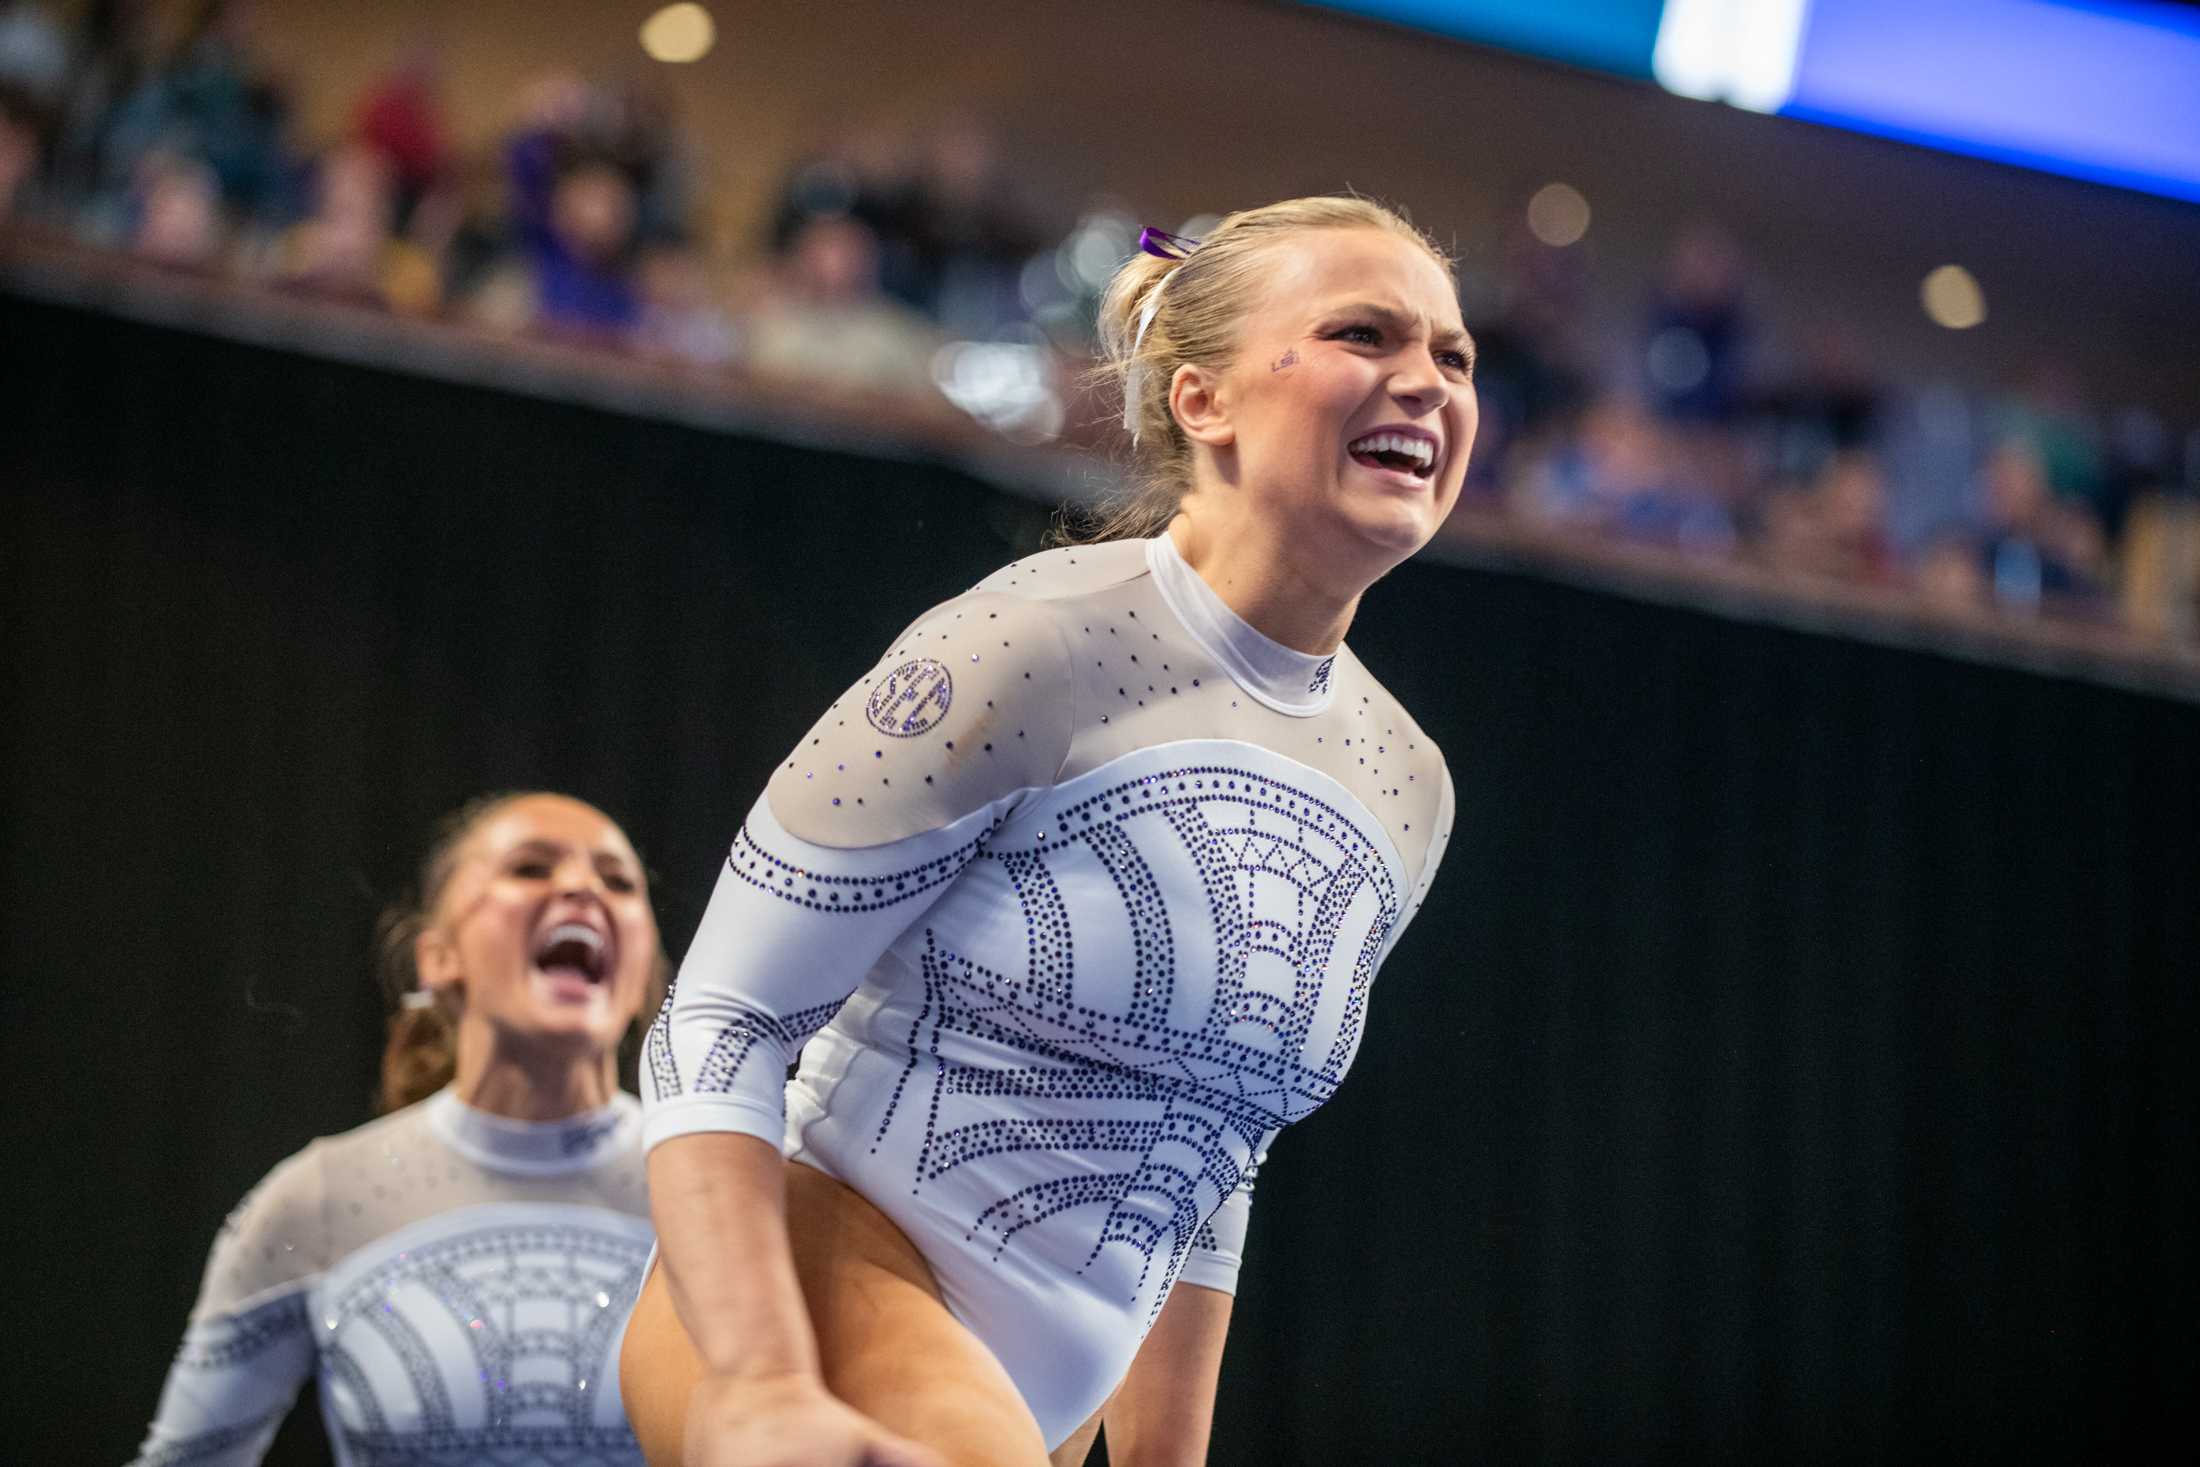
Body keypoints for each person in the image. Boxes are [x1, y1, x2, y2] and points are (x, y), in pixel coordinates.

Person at [622, 194, 1472, 1467]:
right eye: (1366, 334)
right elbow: (719, 1021)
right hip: (817, 1288)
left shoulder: (1406, 785)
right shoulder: (1039, 643)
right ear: (1204, 401)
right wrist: (757, 1378)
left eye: (1455, 358)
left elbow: (1211, 1147)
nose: (1424, 384)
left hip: (1035, 1403)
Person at [131, 792, 666, 1466]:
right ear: (438, 956)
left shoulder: (732, 1187)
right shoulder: (322, 1198)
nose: (583, 889)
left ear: (646, 962)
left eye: (618, 881)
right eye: (530, 868)